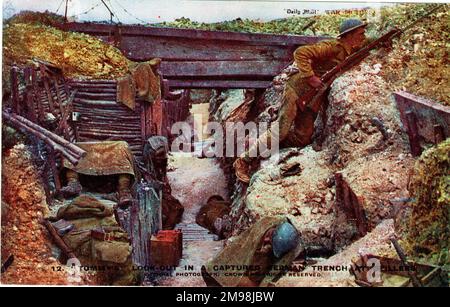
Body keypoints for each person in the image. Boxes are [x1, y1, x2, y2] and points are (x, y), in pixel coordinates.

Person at [234, 19, 368, 183]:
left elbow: (371, 42)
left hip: (312, 98)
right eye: (360, 34)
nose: (363, 37)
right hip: (297, 89)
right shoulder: (332, 47)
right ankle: (243, 161)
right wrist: (310, 77)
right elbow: (301, 53)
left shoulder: (351, 49)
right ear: (350, 35)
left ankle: (266, 146)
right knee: (281, 130)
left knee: (303, 138)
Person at [201, 216, 303, 287]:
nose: (267, 240)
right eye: (269, 238)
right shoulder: (260, 240)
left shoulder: (276, 232)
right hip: (216, 274)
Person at [60, 140, 135, 207]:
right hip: (87, 142)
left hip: (115, 142)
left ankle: (123, 192)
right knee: (72, 147)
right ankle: (73, 183)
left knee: (122, 146)